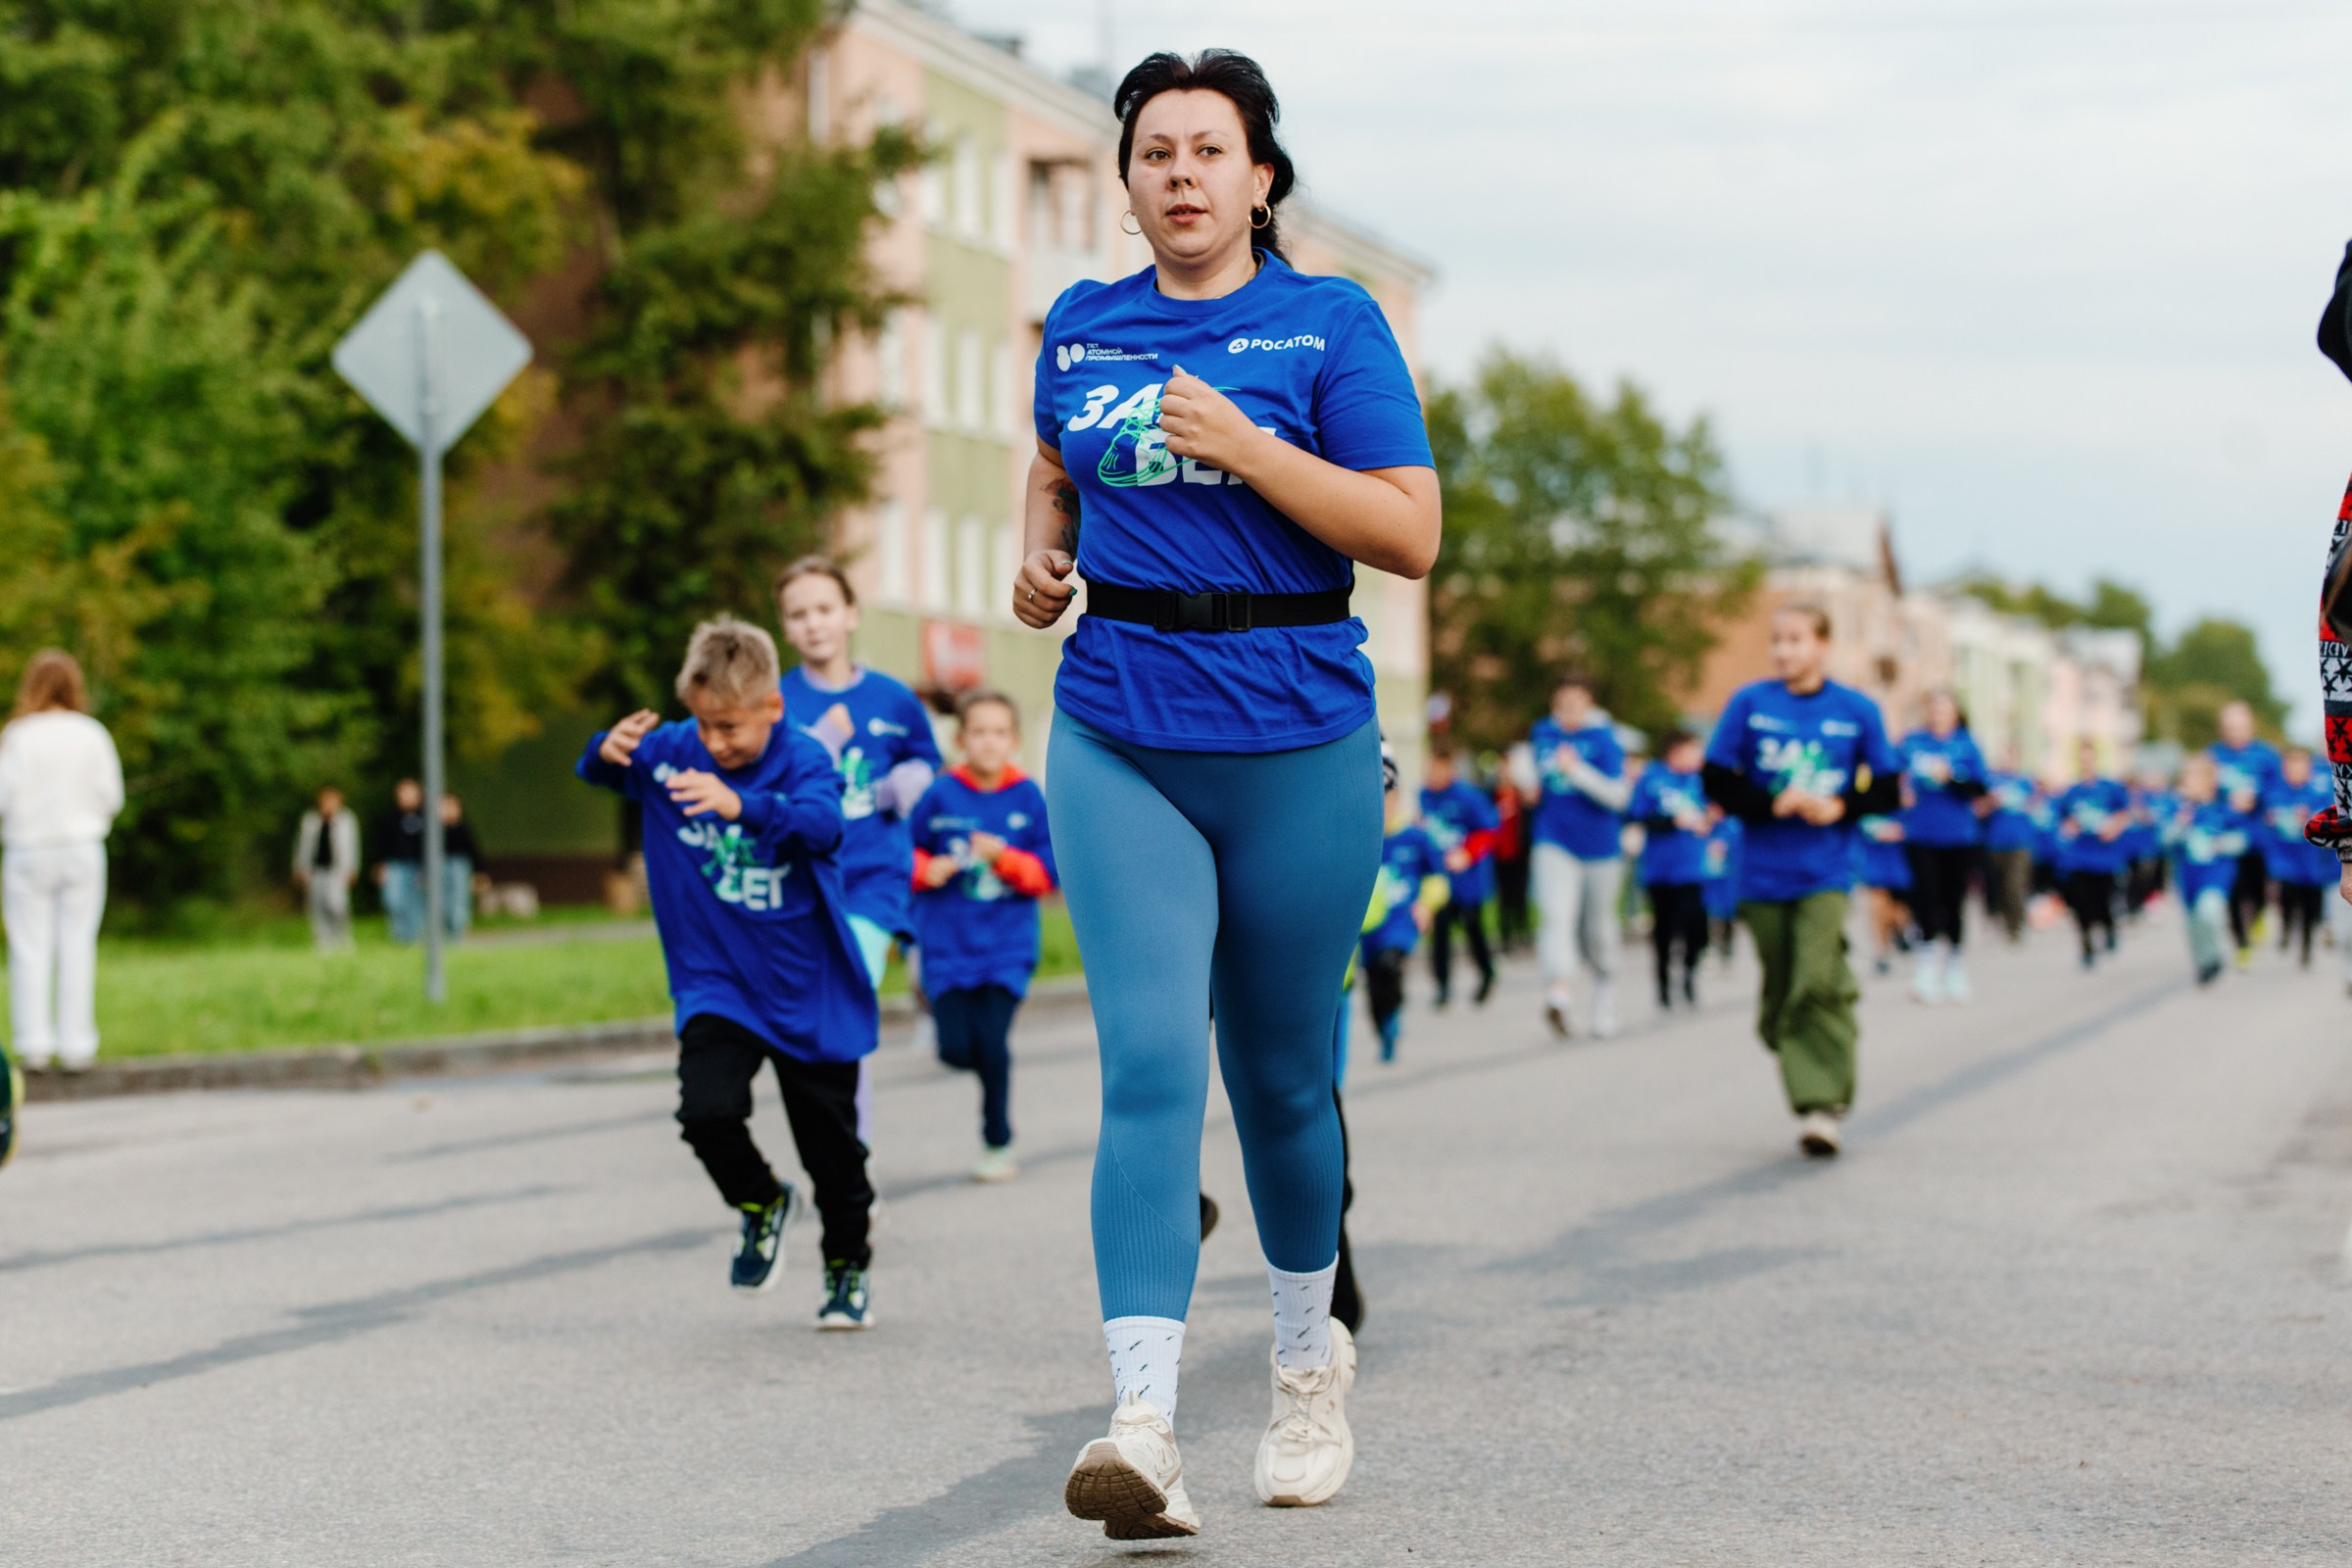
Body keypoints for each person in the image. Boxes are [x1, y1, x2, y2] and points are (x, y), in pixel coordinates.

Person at [1013, 48, 1440, 1540]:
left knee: (1277, 1080)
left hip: (1297, 734)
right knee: (1146, 1064)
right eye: (1154, 153)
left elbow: (1409, 536)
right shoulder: (1082, 322)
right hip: (1120, 723)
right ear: (1126, 184)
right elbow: (1056, 461)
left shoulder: (1330, 321)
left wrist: (1252, 447)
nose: (1181, 173)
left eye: (1210, 149)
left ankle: (1309, 1372)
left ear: (1261, 177)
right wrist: (1041, 549)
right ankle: (1141, 1421)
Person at [576, 617, 880, 1327]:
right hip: (717, 982)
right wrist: (605, 749)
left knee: (832, 1151)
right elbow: (604, 773)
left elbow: (823, 827)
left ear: (773, 708)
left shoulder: (804, 758)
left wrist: (740, 804)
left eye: (732, 728)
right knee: (706, 1112)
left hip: (808, 986)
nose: (716, 743)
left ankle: (846, 1266)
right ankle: (761, 1199)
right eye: (705, 724)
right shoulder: (677, 750)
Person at [1701, 602, 1899, 1160]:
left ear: (1822, 645)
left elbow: (1887, 787)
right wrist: (1771, 801)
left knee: (1814, 977)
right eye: (1777, 641)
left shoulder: (1856, 710)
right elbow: (1716, 778)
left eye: (1795, 640)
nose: (1784, 651)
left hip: (1827, 872)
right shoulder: (1750, 704)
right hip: (1762, 873)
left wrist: (1840, 805)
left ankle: (1821, 1106)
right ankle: (1795, 1029)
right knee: (1787, 984)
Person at [775, 557, 943, 1152]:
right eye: (799, 614)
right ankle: (838, 1151)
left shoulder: (891, 698)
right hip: (802, 885)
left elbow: (927, 759)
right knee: (819, 1023)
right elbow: (760, 785)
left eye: (824, 609)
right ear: (786, 628)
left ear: (850, 614)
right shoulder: (776, 702)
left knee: (848, 995)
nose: (814, 624)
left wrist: (911, 780)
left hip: (875, 880)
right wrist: (815, 748)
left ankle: (855, 1157)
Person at [909, 690, 1058, 1182]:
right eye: (979, 732)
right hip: (947, 949)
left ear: (1013, 741)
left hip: (1006, 949)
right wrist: (926, 868)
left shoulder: (1028, 797)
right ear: (961, 739)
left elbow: (1048, 874)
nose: (989, 742)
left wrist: (1003, 859)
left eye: (999, 733)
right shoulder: (939, 794)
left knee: (992, 1044)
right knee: (955, 1049)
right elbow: (899, 852)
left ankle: (997, 1141)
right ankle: (978, 1073)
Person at [0, 651, 124, 1073]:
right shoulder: (91, 734)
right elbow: (112, 797)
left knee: (29, 947)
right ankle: (77, 1047)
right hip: (81, 847)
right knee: (77, 944)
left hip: (28, 848)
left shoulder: (18, 735)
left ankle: (34, 1044)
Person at [1515, 674, 1632, 1039]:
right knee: (1555, 916)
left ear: (1589, 704)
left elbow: (1619, 797)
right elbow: (1526, 768)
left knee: (1597, 929)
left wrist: (1576, 772)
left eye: (1575, 704)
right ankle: (1559, 994)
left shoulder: (1605, 739)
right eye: (1561, 704)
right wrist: (1526, 782)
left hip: (1600, 848)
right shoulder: (1543, 735)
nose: (1567, 712)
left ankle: (1603, 999)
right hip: (1554, 840)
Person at [1895, 690, 1986, 1004]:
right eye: (1933, 709)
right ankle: (1926, 968)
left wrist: (1950, 777)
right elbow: (1890, 775)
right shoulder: (1912, 743)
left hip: (1958, 836)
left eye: (1945, 709)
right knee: (1925, 899)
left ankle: (1955, 966)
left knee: (1953, 901)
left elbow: (1978, 788)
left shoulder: (1966, 745)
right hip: (1920, 833)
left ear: (1955, 713)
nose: (1938, 715)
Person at [1360, 769, 1447, 1062]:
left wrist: (1427, 904)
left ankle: (1395, 1013)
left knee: (1390, 965)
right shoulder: (1362, 841)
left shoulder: (1415, 837)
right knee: (1373, 983)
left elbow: (1438, 878)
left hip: (1401, 921)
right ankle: (1384, 1026)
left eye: (1389, 802)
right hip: (1368, 927)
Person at [1626, 730, 1712, 1010]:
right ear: (1675, 751)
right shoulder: (1653, 778)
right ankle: (1663, 984)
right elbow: (1636, 815)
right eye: (1692, 751)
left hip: (1692, 868)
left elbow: (1712, 814)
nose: (1697, 757)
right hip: (1660, 869)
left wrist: (1710, 822)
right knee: (1664, 929)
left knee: (1697, 928)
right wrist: (1671, 820)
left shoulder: (1699, 781)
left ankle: (1689, 973)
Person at [1416, 745, 1498, 1006]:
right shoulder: (1423, 797)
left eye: (1437, 769)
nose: (1432, 775)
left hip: (1466, 880)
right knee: (1440, 934)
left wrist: (1467, 854)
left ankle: (1486, 973)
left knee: (1473, 930)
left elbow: (1488, 832)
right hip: (1439, 881)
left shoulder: (1468, 797)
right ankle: (1442, 985)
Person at [2209, 701, 2281, 968]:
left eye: (2239, 726)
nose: (2234, 731)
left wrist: (2257, 798)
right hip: (2226, 836)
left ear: (2250, 725)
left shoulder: (2266, 756)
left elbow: (2279, 790)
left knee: (2257, 888)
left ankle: (2260, 914)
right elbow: (2203, 791)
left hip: (2258, 836)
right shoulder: (2214, 755)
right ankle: (2241, 944)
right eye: (2229, 727)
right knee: (2232, 891)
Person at [2164, 756, 2245, 987]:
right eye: (2188, 779)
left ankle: (2216, 954)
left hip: (2216, 872)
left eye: (2197, 778)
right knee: (2193, 922)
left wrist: (2221, 844)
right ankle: (2205, 962)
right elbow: (2165, 839)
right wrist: (2181, 822)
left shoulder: (2223, 808)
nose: (2192, 784)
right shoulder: (2179, 809)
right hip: (2188, 874)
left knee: (2209, 911)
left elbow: (2244, 838)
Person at [2053, 741, 2132, 969]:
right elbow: (2062, 820)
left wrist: (2113, 827)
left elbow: (2125, 814)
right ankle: (2086, 944)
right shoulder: (2072, 792)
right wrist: (2070, 827)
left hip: (2105, 857)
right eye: (2081, 759)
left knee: (2103, 901)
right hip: (2080, 857)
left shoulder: (2109, 788)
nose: (2085, 763)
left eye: (2089, 758)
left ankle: (2108, 927)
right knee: (2081, 903)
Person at [2264, 747, 2335, 967]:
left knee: (2310, 906)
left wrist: (2310, 817)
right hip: (2285, 858)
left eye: (2300, 767)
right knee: (2286, 894)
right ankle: (2286, 926)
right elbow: (2264, 817)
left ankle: (2306, 946)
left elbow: (2328, 818)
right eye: (2291, 767)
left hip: (2312, 860)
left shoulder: (2318, 791)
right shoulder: (2275, 792)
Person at [1978, 760, 2038, 943]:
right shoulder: (1991, 782)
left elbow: (2037, 808)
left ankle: (2016, 926)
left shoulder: (2025, 782)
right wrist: (1991, 802)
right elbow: (1979, 809)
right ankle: (2004, 919)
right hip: (1995, 843)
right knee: (2000, 887)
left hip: (2020, 842)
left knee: (2015, 885)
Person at [294, 786, 361, 953]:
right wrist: (299, 867)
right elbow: (302, 846)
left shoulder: (346, 820)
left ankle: (342, 936)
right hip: (315, 871)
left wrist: (352, 868)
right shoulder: (310, 821)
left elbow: (353, 846)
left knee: (337, 905)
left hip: (338, 871)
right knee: (317, 906)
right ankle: (323, 939)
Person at [1856, 813, 1913, 978]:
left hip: (1902, 860)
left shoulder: (1908, 791)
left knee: (1900, 909)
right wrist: (1874, 829)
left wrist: (1902, 830)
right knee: (1879, 905)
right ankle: (1881, 952)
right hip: (1875, 860)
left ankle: (1900, 931)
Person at [374, 778, 427, 944]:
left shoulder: (426, 817)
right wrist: (380, 865)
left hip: (418, 866)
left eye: (410, 793)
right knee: (394, 900)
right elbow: (381, 842)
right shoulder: (390, 817)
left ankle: (413, 937)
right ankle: (399, 936)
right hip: (395, 865)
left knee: (416, 903)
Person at [1491, 773, 1533, 955]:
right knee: (1504, 899)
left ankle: (1523, 933)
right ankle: (1505, 936)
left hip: (1519, 855)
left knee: (1520, 897)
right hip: (1500, 856)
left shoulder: (1521, 799)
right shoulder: (1492, 798)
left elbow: (1528, 824)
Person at [439, 792, 482, 939]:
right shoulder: (435, 830)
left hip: (459, 866)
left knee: (459, 898)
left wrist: (479, 872)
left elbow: (473, 850)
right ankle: (444, 930)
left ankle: (458, 931)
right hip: (440, 865)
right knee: (442, 899)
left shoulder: (463, 827)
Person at [1701, 814, 1742, 965]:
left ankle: (1727, 953)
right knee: (1711, 917)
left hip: (1729, 881)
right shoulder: (1705, 823)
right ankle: (1710, 948)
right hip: (1709, 881)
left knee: (1727, 918)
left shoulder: (1733, 825)